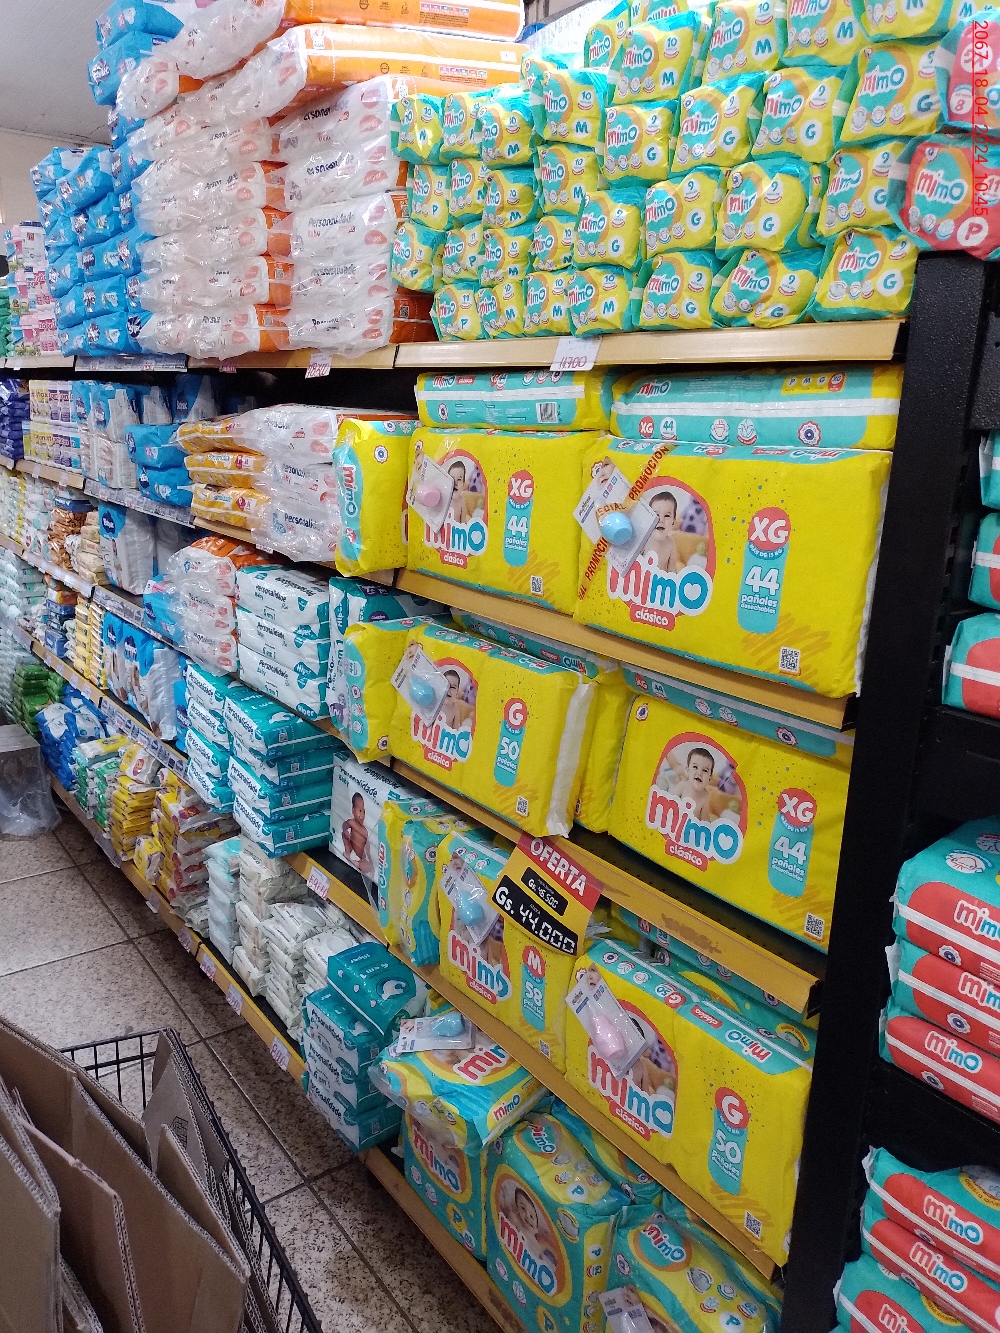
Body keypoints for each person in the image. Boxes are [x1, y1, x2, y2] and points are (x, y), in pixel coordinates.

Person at [667, 746, 716, 823]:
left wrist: (709, 827)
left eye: (705, 770)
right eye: (695, 767)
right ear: (687, 769)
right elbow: (669, 803)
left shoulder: (705, 795)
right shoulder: (682, 786)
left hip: (691, 827)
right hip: (675, 824)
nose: (699, 773)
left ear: (710, 777)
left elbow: (704, 817)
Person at [642, 489, 679, 572]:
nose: (661, 520)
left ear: (673, 521)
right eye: (656, 515)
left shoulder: (670, 544)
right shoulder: (644, 541)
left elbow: (672, 569)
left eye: (667, 516)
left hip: (659, 580)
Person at [341, 791, 373, 876]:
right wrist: (345, 831)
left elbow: (368, 848)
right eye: (360, 811)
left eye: (364, 812)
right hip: (351, 849)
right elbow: (345, 825)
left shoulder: (365, 831)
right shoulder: (351, 822)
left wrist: (370, 861)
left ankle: (356, 863)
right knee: (343, 834)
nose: (362, 815)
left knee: (369, 866)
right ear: (353, 810)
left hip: (361, 857)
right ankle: (347, 853)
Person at [448, 459, 484, 524]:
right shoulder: (476, 468)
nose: (455, 483)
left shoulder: (461, 500)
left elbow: (486, 492)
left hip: (478, 497)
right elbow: (468, 480)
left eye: (459, 479)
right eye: (452, 479)